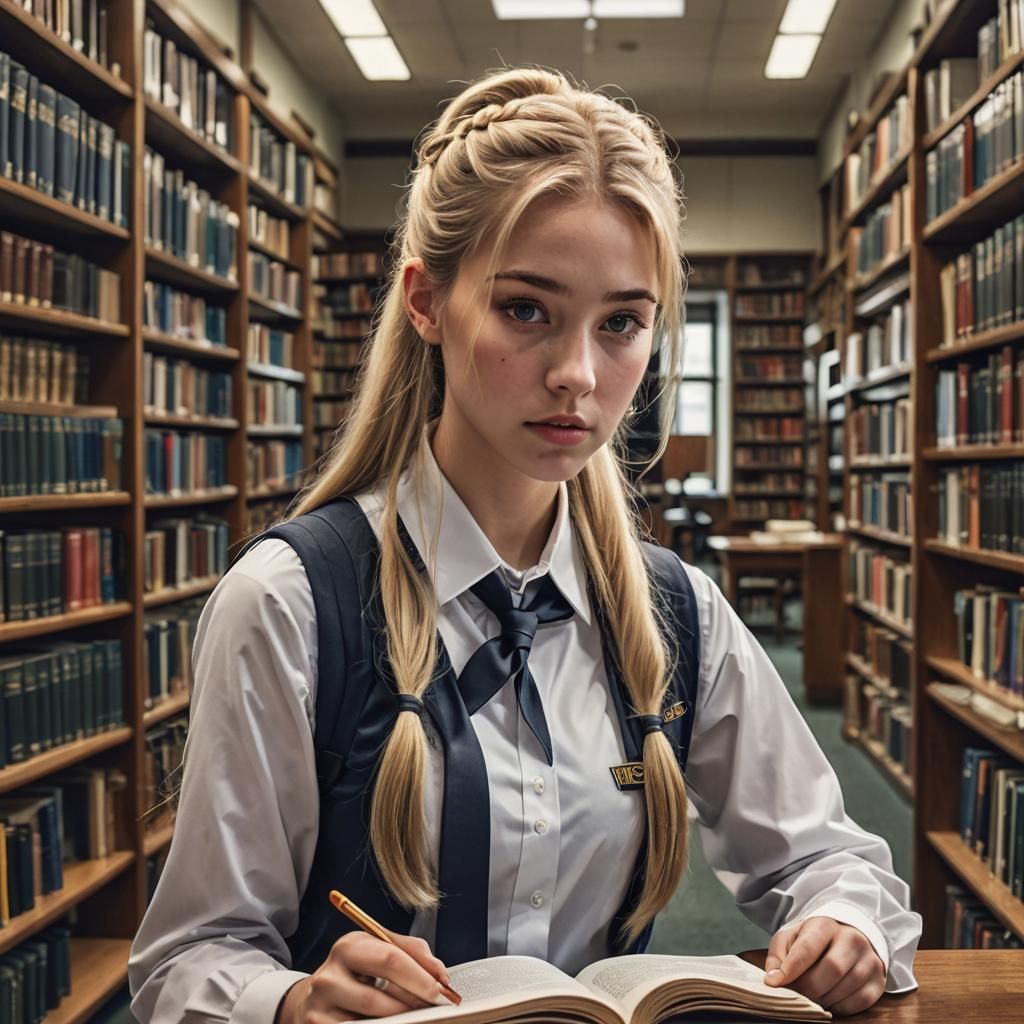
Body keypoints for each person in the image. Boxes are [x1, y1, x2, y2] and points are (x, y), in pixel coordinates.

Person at [128, 67, 921, 1024]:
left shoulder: (676, 611)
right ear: (426, 302)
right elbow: (186, 960)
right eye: (526, 310)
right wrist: (289, 1001)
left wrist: (847, 924)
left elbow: (830, 856)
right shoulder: (292, 602)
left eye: (622, 323)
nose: (579, 376)